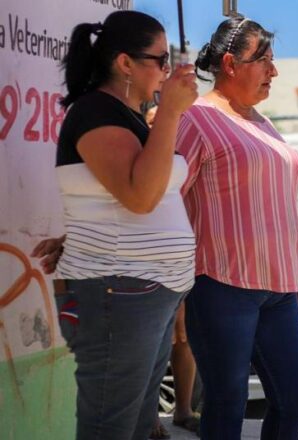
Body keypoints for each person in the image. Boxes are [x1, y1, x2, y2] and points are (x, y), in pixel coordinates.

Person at [36, 10, 197, 440]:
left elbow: (115, 200)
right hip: (121, 293)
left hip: (146, 291)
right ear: (125, 63)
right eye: (160, 60)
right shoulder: (94, 112)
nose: (168, 69)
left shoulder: (125, 116)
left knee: (138, 424)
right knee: (110, 427)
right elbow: (140, 196)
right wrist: (170, 114)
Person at [177, 16, 298, 440]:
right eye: (264, 60)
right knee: (226, 401)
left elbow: (282, 210)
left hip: (279, 288)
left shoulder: (263, 123)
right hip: (221, 284)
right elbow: (167, 201)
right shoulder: (195, 120)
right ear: (230, 64)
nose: (274, 71)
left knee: (296, 395)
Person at [143, 105, 201, 440]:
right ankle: (150, 417)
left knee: (184, 337)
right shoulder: (146, 155)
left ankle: (183, 410)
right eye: (152, 121)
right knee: (162, 340)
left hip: (185, 257)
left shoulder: (182, 158)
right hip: (154, 261)